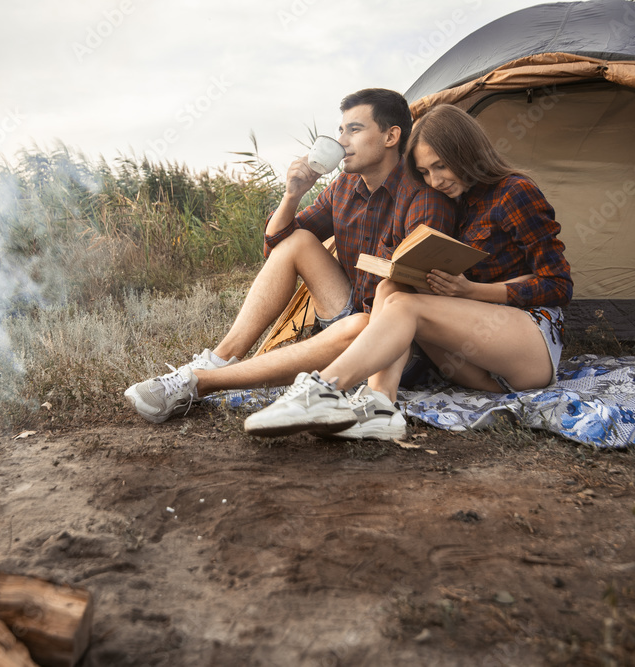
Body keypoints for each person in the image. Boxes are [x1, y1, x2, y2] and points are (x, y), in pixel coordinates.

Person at [124, 89, 458, 423]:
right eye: (340, 130)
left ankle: (198, 384)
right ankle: (220, 359)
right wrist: (292, 195)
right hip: (353, 313)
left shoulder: (423, 197)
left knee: (363, 322)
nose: (341, 141)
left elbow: (415, 296)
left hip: (397, 347)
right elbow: (277, 248)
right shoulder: (343, 187)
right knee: (299, 241)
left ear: (391, 136)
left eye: (354, 130)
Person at [243, 103, 573, 440]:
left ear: (467, 152)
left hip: (527, 352)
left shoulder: (514, 192)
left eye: (441, 166)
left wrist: (472, 291)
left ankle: (322, 389)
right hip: (473, 362)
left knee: (405, 304)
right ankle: (379, 407)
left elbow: (559, 284)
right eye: (425, 172)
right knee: (392, 288)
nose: (436, 180)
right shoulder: (453, 201)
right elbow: (277, 245)